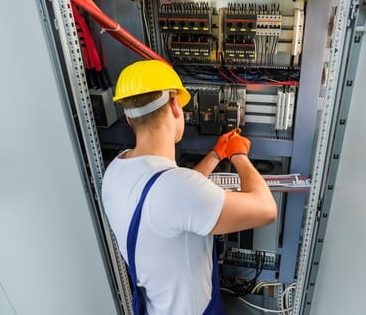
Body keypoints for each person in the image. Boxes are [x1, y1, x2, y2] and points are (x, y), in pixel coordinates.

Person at [101, 60, 277, 315]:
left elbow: (173, 200)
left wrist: (217, 153)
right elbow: (266, 208)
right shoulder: (176, 190)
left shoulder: (117, 168)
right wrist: (239, 155)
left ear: (129, 118)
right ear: (175, 105)